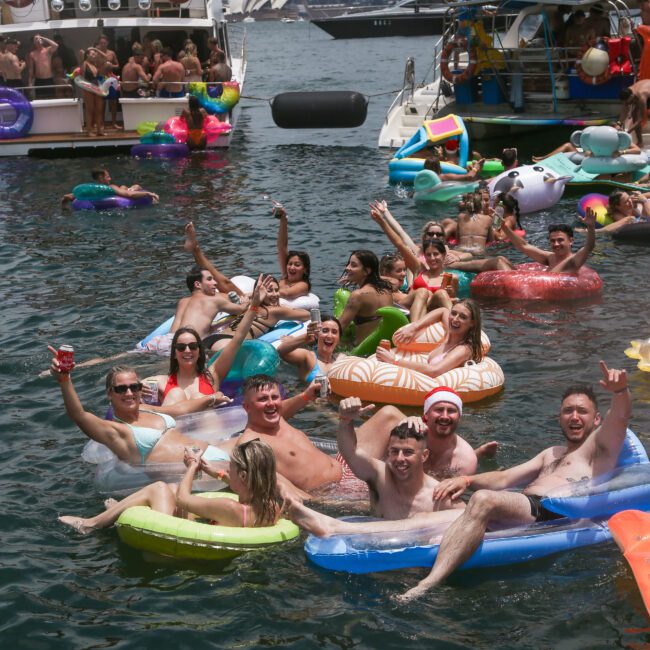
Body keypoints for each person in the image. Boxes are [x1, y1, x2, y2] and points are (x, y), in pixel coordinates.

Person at [397, 361, 630, 600]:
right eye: (568, 411)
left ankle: (428, 584)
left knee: (484, 500)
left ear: (597, 419)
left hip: (550, 513)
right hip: (522, 507)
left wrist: (620, 392)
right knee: (429, 511)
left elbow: (619, 421)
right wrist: (466, 479)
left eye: (582, 411)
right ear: (559, 417)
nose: (574, 417)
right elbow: (505, 477)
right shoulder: (552, 452)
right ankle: (359, 531)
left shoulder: (599, 451)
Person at [284, 398, 465, 535]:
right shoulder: (381, 476)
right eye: (394, 451)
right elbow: (350, 452)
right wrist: (346, 420)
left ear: (424, 456)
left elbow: (475, 521)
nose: (399, 459)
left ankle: (333, 527)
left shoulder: (439, 495)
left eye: (408, 452)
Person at [59, 439, 282, 534]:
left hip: (176, 551)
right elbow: (245, 488)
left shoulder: (229, 507)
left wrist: (192, 467)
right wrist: (217, 473)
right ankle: (122, 510)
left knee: (159, 488)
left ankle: (90, 524)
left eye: (231, 469)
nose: (228, 471)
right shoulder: (271, 506)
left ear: (243, 475)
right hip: (214, 536)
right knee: (173, 490)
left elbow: (185, 500)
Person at [149, 278, 266, 405]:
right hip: (177, 422)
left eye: (193, 346)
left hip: (209, 423)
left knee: (197, 396)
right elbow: (127, 384)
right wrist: (138, 388)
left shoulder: (212, 376)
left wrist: (254, 304)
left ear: (200, 351)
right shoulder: (161, 381)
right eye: (181, 347)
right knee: (175, 394)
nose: (187, 350)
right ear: (174, 353)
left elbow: (238, 339)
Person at [376, 301, 484, 380]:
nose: (455, 319)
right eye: (454, 313)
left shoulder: (463, 349)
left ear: (472, 323)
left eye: (463, 317)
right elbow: (443, 310)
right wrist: (415, 327)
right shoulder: (449, 335)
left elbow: (435, 371)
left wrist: (394, 360)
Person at [207, 275, 310, 352]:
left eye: (276, 290)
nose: (274, 294)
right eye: (269, 291)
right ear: (261, 293)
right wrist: (287, 307)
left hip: (213, 339)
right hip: (228, 342)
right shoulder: (275, 311)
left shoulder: (247, 307)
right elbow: (307, 315)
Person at [502, 212, 596, 273]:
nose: (556, 244)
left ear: (571, 241)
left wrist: (591, 227)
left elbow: (588, 247)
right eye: (552, 241)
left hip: (560, 303)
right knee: (501, 259)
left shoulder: (572, 261)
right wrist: (504, 227)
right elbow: (524, 245)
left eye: (560, 240)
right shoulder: (550, 258)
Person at [337, 250, 395, 345]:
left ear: (367, 271)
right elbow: (394, 281)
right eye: (348, 264)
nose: (347, 268)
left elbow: (340, 326)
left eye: (353, 265)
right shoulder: (386, 291)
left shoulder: (358, 295)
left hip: (363, 351)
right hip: (384, 347)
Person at [276, 315, 342, 382]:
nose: (329, 336)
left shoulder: (341, 360)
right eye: (325, 331)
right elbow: (280, 351)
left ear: (339, 338)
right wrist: (306, 337)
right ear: (316, 334)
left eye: (334, 332)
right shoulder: (309, 357)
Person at [61, 166, 159, 206]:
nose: (110, 178)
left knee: (126, 187)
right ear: (101, 178)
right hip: (119, 195)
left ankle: (128, 187)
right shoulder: (111, 187)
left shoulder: (90, 190)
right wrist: (148, 193)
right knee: (134, 186)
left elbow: (67, 197)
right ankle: (130, 187)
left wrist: (64, 208)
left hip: (100, 202)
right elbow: (129, 195)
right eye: (107, 176)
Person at [274, 205, 311, 301]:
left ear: (305, 270)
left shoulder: (303, 285)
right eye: (290, 264)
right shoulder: (285, 277)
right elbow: (282, 247)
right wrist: (283, 220)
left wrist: (265, 290)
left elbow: (287, 294)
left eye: (297, 265)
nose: (292, 267)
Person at [76, 47, 111, 137]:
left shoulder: (96, 64)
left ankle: (100, 130)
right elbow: (82, 76)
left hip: (97, 87)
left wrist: (95, 49)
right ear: (87, 55)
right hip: (88, 89)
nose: (94, 55)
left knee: (99, 110)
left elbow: (106, 57)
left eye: (95, 54)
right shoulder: (84, 63)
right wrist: (82, 55)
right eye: (92, 54)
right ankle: (89, 131)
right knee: (90, 110)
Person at [96, 34, 120, 129]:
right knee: (102, 102)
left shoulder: (111, 53)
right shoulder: (96, 53)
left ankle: (113, 123)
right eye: (101, 43)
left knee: (113, 101)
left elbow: (117, 65)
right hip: (101, 79)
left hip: (111, 79)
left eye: (104, 43)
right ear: (99, 44)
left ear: (107, 43)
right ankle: (102, 123)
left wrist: (111, 66)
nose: (103, 45)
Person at [618, 80, 650, 145]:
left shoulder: (642, 97)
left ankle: (640, 142)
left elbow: (640, 119)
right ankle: (640, 142)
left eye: (627, 102)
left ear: (632, 96)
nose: (626, 104)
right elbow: (624, 111)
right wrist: (618, 124)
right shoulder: (628, 92)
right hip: (642, 90)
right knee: (634, 115)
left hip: (647, 93)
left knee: (643, 115)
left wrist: (628, 132)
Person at [27, 34, 58, 99]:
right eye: (36, 39)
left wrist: (44, 38)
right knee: (40, 99)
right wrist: (29, 82)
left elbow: (56, 45)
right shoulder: (32, 54)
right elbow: (31, 69)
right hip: (39, 80)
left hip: (49, 79)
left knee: (51, 98)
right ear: (34, 42)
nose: (38, 40)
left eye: (39, 38)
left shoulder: (48, 50)